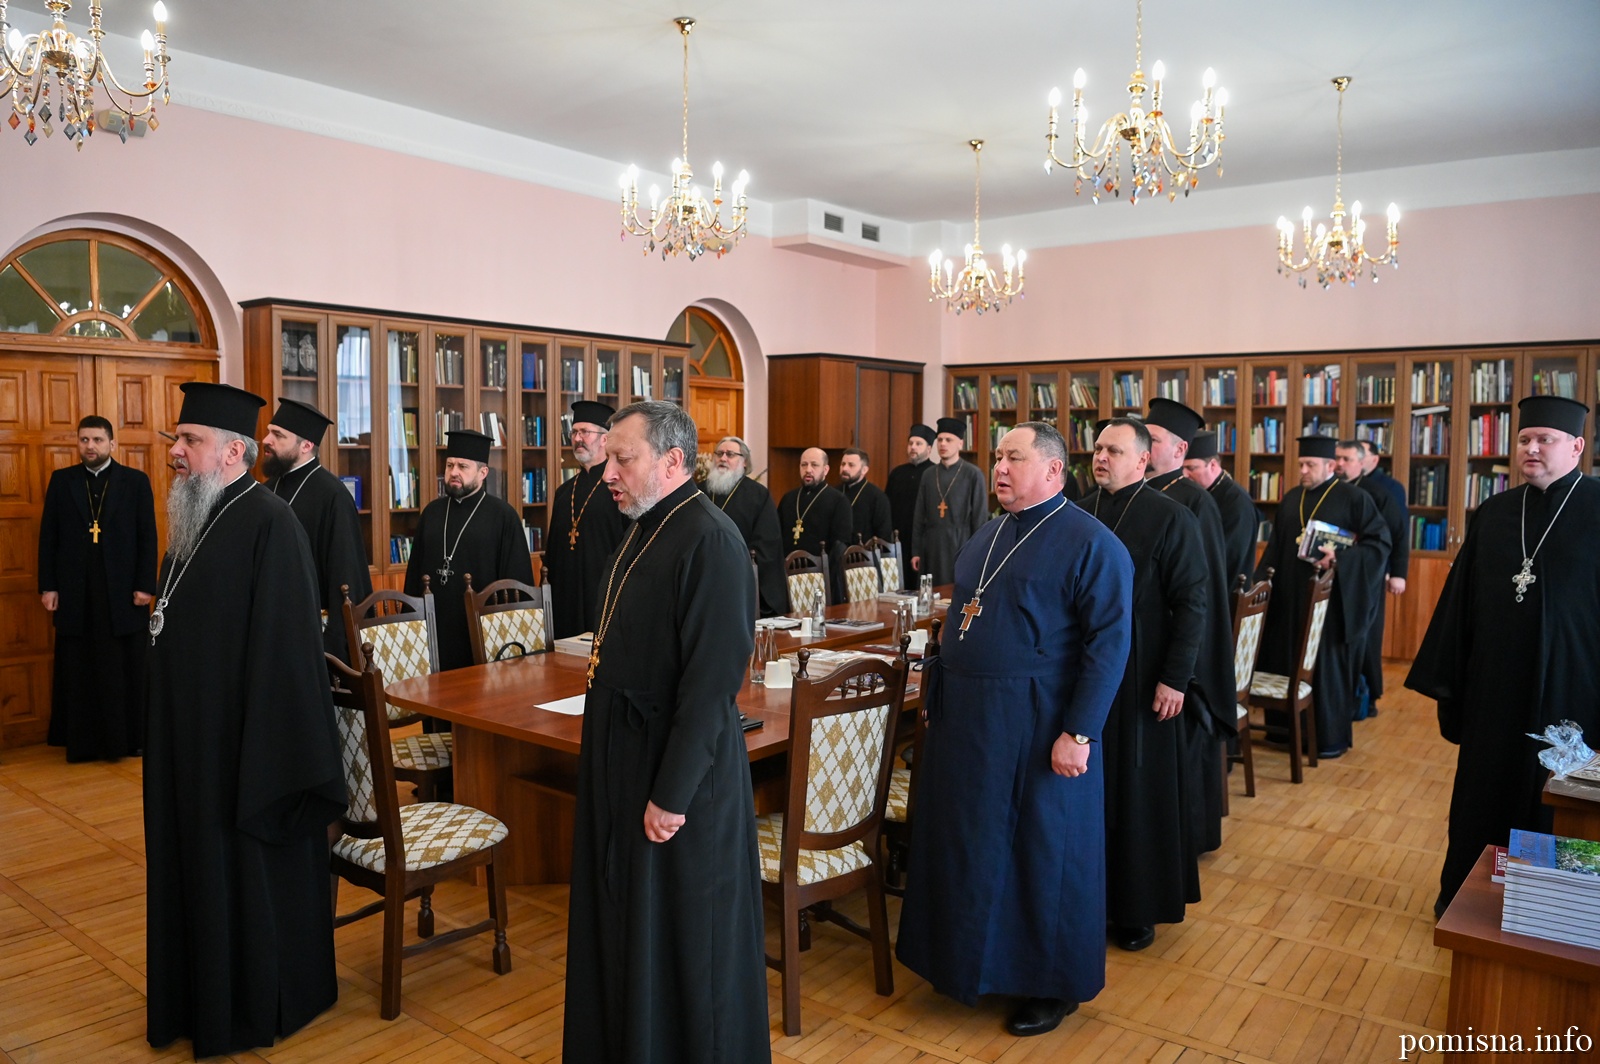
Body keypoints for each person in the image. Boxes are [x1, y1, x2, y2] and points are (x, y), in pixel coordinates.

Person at [898, 422, 1132, 1038]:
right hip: (971, 726)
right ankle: (968, 965)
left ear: (1053, 471)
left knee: (1041, 856)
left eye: (1014, 458)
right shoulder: (989, 532)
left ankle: (1050, 986)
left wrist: (1079, 732)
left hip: (1039, 724)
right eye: (998, 457)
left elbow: (1109, 649)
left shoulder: (1093, 544)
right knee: (973, 848)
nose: (999, 467)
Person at [564, 401, 769, 1063]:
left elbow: (711, 685)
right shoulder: (643, 525)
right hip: (625, 756)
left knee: (684, 942)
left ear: (673, 460)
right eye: (609, 458)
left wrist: (672, 794)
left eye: (623, 458)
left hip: (678, 777)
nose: (608, 473)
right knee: (628, 927)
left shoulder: (711, 540)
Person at [144, 382, 343, 1056]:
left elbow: (287, 659)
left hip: (243, 752)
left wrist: (257, 754)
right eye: (178, 439)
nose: (175, 452)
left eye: (189, 441)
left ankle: (249, 1003)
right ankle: (194, 997)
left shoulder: (270, 524)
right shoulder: (195, 514)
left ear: (233, 453)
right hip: (187, 740)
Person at [1407, 395, 1600, 919]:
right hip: (1495, 692)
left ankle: (1557, 910)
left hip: (1573, 693)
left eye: (1545, 440)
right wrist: (1453, 684)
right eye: (1524, 440)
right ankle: (1472, 901)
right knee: (1486, 794)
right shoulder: (1494, 512)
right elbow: (1461, 603)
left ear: (1576, 447)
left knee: (1558, 802)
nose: (1531, 448)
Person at [1078, 417, 1211, 953]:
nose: (1101, 457)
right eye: (1097, 449)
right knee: (1087, 791)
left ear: (1142, 460)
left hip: (1142, 677)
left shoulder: (1172, 516)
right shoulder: (1076, 511)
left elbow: (1192, 603)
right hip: (1083, 674)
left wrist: (1174, 679)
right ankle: (1087, 899)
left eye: (1113, 450)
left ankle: (1136, 909)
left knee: (1135, 794)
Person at [1253, 436, 1390, 759]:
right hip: (1288, 600)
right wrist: (1259, 586)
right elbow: (1275, 548)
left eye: (1310, 465)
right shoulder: (1292, 498)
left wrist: (1341, 559)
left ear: (1330, 466)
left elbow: (1379, 544)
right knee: (1284, 661)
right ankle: (1285, 734)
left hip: (1330, 606)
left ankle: (1327, 739)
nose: (1303, 470)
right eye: (1301, 464)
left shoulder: (1354, 498)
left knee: (1324, 671)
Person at [1142, 399, 1238, 856]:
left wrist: (1184, 666)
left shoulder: (1195, 501)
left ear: (1180, 450)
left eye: (1153, 439)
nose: (1143, 445)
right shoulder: (1142, 493)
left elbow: (1203, 591)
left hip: (1183, 654)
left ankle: (1190, 839)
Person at [38, 414, 157, 762]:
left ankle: (129, 740)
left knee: (123, 667)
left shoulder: (135, 481)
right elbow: (48, 538)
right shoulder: (62, 481)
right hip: (76, 593)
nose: (90, 446)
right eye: (85, 440)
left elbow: (147, 536)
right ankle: (82, 743)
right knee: (80, 666)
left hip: (123, 593)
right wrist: (48, 586)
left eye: (98, 440)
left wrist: (145, 585)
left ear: (112, 444)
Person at [405, 430, 534, 669]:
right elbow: (413, 577)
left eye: (463, 466)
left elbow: (516, 586)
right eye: (450, 465)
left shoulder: (503, 517)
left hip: (484, 636)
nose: (454, 472)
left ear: (483, 473)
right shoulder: (432, 513)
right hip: (434, 631)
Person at [260, 397, 373, 663]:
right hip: (268, 623)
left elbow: (345, 574)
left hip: (312, 632)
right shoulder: (266, 490)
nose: (266, 440)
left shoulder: (333, 495)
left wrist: (335, 646)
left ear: (306, 445)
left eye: (278, 435)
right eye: (268, 432)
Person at [1333, 439, 1408, 718]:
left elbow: (1399, 533)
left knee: (1367, 637)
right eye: (1337, 458)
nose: (1340, 464)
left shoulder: (1379, 493)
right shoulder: (1331, 490)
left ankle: (1368, 696)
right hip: (1336, 574)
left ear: (1362, 463)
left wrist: (1398, 573)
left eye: (1347, 459)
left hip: (1370, 575)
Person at [544, 401, 628, 637]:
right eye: (574, 432)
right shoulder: (564, 492)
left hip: (603, 593)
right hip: (565, 596)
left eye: (585, 432)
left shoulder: (619, 488)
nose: (577, 438)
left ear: (605, 439)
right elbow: (552, 552)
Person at [703, 434, 786, 616]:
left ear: (745, 462)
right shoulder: (700, 492)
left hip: (739, 575)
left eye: (730, 454)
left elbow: (767, 542)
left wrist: (735, 562)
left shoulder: (758, 495)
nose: (723, 458)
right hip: (703, 573)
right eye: (719, 454)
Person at [911, 417, 987, 585]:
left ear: (960, 444)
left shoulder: (973, 474)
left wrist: (977, 552)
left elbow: (980, 519)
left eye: (948, 440)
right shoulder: (928, 474)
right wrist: (916, 550)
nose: (943, 444)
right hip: (931, 546)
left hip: (961, 543)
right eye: (940, 440)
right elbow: (919, 515)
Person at [776, 446, 853, 604]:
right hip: (787, 575)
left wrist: (827, 576)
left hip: (823, 578)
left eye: (814, 465)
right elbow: (777, 536)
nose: (808, 470)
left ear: (825, 470)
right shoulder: (788, 498)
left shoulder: (838, 501)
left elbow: (839, 546)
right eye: (804, 465)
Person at [1183, 429, 1261, 584]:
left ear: (1212, 465)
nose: (1185, 475)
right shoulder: (1197, 493)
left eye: (1191, 468)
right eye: (1182, 469)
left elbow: (1229, 555)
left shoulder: (1237, 502)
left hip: (1227, 586)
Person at [885, 424, 935, 589]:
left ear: (929, 449)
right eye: (910, 443)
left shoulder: (933, 473)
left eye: (918, 444)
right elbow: (888, 507)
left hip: (922, 542)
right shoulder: (897, 473)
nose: (913, 447)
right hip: (897, 540)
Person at [839, 445, 893, 546]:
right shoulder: (834, 492)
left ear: (864, 470)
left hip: (865, 553)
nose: (845, 468)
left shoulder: (877, 497)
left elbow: (883, 537)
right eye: (843, 464)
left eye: (851, 465)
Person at [1358, 439, 1408, 512]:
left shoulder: (1391, 487)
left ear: (1375, 459)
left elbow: (1397, 518)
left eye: (1361, 455)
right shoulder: (1345, 482)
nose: (1356, 459)